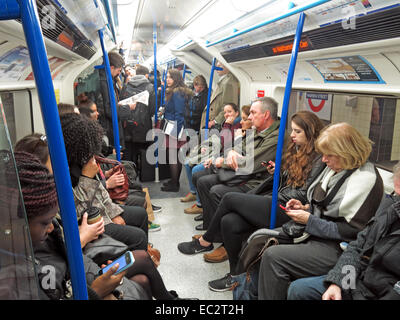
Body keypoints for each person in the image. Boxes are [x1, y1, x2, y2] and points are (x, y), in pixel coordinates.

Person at [10, 151, 192, 300]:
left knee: (142, 278)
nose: (50, 228)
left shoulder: (48, 228)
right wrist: (96, 292)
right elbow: (81, 207)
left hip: (84, 268)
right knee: (140, 250)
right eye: (44, 223)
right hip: (85, 259)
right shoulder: (20, 273)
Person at [178, 111, 326, 289]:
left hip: (288, 208)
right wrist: (277, 172)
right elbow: (289, 180)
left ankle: (206, 240)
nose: (292, 135)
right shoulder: (298, 150)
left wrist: (278, 191)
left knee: (228, 197)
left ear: (310, 133)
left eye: (297, 132)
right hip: (277, 197)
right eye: (292, 130)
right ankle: (236, 275)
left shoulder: (319, 159)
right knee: (229, 221)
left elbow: (304, 193)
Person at [256, 122, 384, 300]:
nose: (323, 160)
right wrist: (306, 207)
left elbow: (351, 231)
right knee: (260, 239)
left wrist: (309, 220)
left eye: (329, 155)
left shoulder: (365, 180)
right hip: (318, 232)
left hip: (340, 247)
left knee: (273, 256)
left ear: (347, 153)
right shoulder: (338, 169)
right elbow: (325, 206)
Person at [287, 161, 400, 301]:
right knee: (299, 290)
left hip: (378, 291)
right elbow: (358, 247)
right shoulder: (391, 207)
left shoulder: (365, 179)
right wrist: (339, 283)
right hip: (359, 280)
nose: (324, 159)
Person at [189, 97, 280, 233]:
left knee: (213, 188)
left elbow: (250, 163)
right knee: (200, 177)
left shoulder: (275, 137)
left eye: (253, 113)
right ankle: (210, 224)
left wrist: (222, 162)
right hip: (241, 172)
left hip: (254, 180)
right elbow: (237, 148)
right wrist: (230, 153)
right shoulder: (257, 130)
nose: (249, 117)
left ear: (266, 115)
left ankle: (216, 233)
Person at [60, 112, 149, 251]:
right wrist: (87, 178)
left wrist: (113, 213)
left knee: (141, 215)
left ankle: (142, 255)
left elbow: (100, 195)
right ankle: (138, 259)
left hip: (101, 212)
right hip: (88, 221)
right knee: (139, 237)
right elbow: (81, 208)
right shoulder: (64, 171)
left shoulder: (82, 159)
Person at [182, 103, 242, 215]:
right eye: (224, 112)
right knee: (187, 162)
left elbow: (226, 143)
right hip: (217, 151)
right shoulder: (227, 124)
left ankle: (200, 204)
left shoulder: (237, 126)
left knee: (196, 170)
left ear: (236, 113)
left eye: (229, 111)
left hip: (224, 157)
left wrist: (227, 125)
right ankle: (193, 192)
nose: (226, 114)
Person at [160, 68, 192, 192]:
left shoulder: (177, 93)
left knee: (173, 156)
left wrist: (176, 133)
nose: (168, 79)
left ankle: (174, 184)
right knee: (174, 156)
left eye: (170, 77)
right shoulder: (174, 91)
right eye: (167, 77)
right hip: (173, 126)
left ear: (176, 79)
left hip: (175, 128)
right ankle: (174, 181)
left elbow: (179, 114)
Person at [119, 64, 155, 166]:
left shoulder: (126, 86)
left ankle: (130, 173)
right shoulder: (151, 88)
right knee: (143, 151)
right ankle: (142, 172)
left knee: (129, 151)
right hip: (143, 125)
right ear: (146, 75)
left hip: (127, 124)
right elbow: (152, 109)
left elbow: (121, 105)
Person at [97, 51, 134, 149]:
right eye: (119, 70)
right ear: (111, 68)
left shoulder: (108, 80)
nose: (119, 73)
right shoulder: (105, 83)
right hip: (109, 129)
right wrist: (128, 108)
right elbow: (109, 111)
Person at [200, 61, 239, 129]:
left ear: (227, 66)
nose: (217, 69)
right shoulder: (223, 80)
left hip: (216, 123)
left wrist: (215, 121)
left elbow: (229, 105)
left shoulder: (229, 82)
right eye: (217, 66)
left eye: (219, 67)